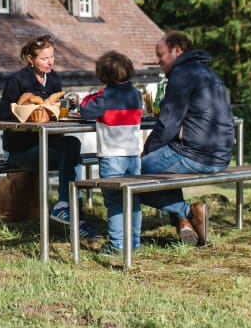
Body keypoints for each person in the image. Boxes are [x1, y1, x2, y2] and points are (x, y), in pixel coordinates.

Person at [0, 33, 101, 240]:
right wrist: (26, 114)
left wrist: (68, 108)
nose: (50, 62)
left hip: (49, 145)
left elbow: (57, 110)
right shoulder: (17, 80)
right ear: (30, 59)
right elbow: (4, 118)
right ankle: (70, 211)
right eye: (44, 58)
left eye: (52, 57)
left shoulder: (53, 79)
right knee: (71, 152)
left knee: (72, 146)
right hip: (22, 151)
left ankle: (67, 208)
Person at [140, 31, 235, 247]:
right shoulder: (207, 73)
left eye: (160, 54)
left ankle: (188, 211)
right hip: (221, 157)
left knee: (127, 176)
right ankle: (184, 222)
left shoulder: (182, 74)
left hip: (196, 155)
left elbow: (168, 124)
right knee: (160, 166)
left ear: (177, 50)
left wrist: (147, 151)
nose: (158, 60)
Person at [78, 50, 144, 255]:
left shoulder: (104, 97)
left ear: (103, 75)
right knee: (133, 200)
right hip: (133, 155)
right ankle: (134, 242)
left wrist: (92, 95)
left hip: (112, 156)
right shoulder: (136, 95)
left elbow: (85, 110)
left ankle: (117, 244)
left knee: (115, 201)